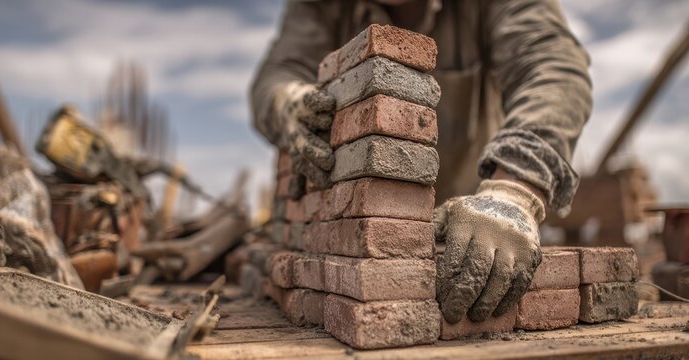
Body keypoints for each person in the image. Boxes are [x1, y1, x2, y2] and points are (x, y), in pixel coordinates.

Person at [249, 0, 591, 324]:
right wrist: (284, 104)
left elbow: (552, 68)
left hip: (475, 229)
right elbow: (277, 75)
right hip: (351, 240)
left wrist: (514, 190)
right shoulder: (321, 6)